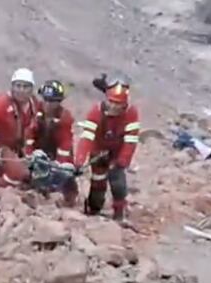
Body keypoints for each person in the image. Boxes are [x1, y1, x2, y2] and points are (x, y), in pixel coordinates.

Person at [74, 74, 140, 221]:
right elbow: (87, 138)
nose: (115, 107)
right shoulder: (95, 112)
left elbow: (131, 141)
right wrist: (79, 161)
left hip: (117, 153)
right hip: (98, 152)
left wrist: (122, 161)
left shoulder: (131, 113)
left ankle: (119, 213)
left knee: (118, 183)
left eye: (119, 104)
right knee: (98, 182)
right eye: (112, 102)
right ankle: (93, 210)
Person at [23, 79, 78, 205]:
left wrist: (60, 164)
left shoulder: (64, 118)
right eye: (46, 100)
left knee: (65, 173)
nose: (48, 104)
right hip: (39, 152)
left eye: (53, 101)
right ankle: (37, 188)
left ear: (59, 102)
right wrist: (29, 154)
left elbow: (65, 144)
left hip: (57, 154)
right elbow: (29, 134)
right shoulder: (37, 113)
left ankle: (67, 195)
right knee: (32, 168)